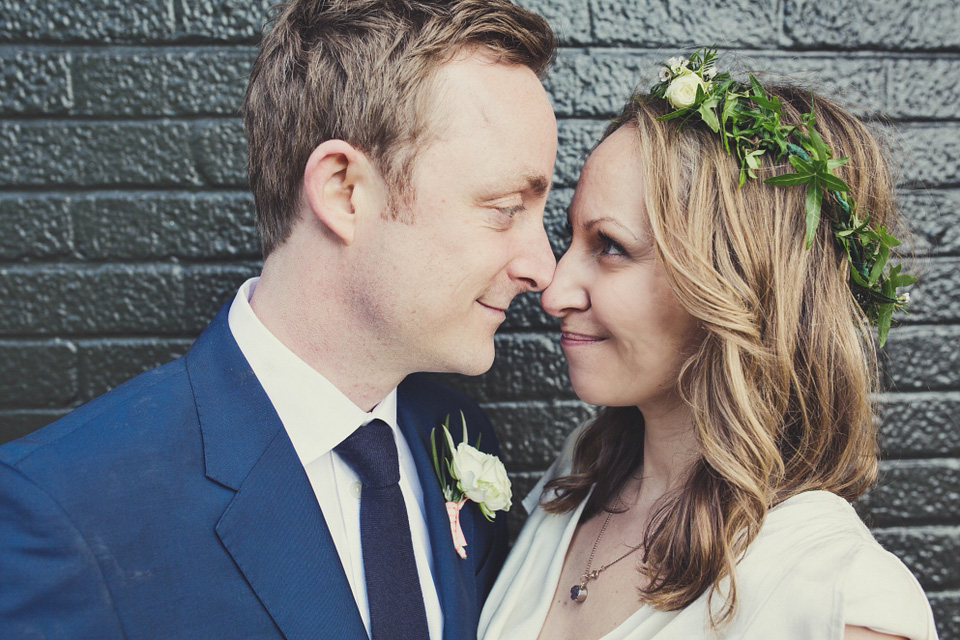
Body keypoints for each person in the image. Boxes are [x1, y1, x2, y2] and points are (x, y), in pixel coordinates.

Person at [0, 1, 558, 638]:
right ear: (345, 190)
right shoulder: (61, 510)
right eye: (506, 207)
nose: (543, 268)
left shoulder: (458, 436)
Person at [479, 50, 938, 640]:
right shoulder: (578, 478)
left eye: (610, 246)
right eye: (573, 238)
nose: (555, 290)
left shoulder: (836, 601)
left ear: (733, 284)